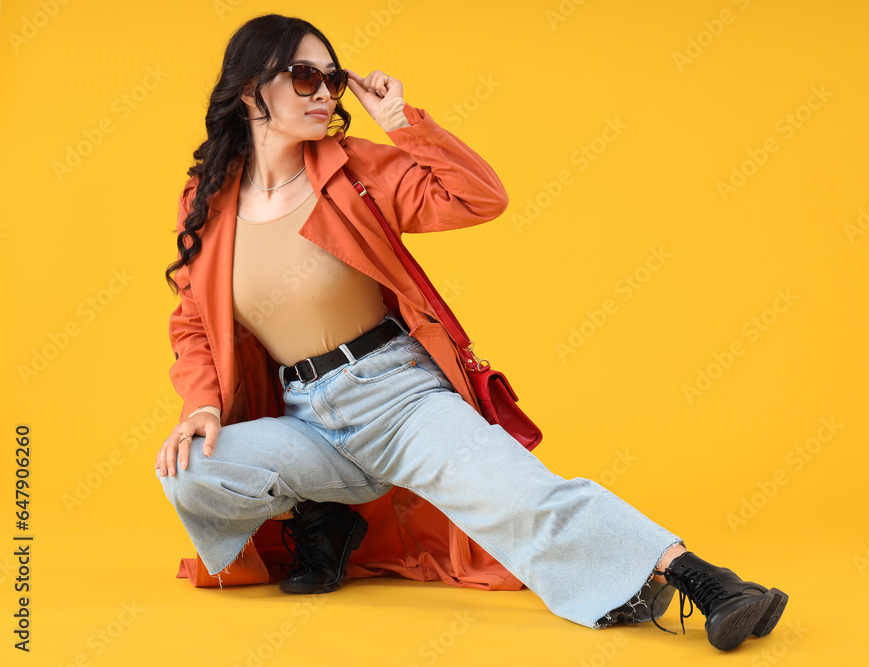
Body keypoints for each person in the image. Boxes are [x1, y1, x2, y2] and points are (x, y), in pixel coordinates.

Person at [155, 13, 787, 652]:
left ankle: (706, 583)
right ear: (247, 90)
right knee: (191, 472)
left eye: (331, 79)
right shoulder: (206, 202)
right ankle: (322, 512)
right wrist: (202, 404)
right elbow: (193, 324)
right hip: (304, 417)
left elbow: (478, 197)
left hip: (398, 399)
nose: (323, 93)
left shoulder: (355, 170)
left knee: (523, 499)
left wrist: (401, 122)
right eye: (303, 77)